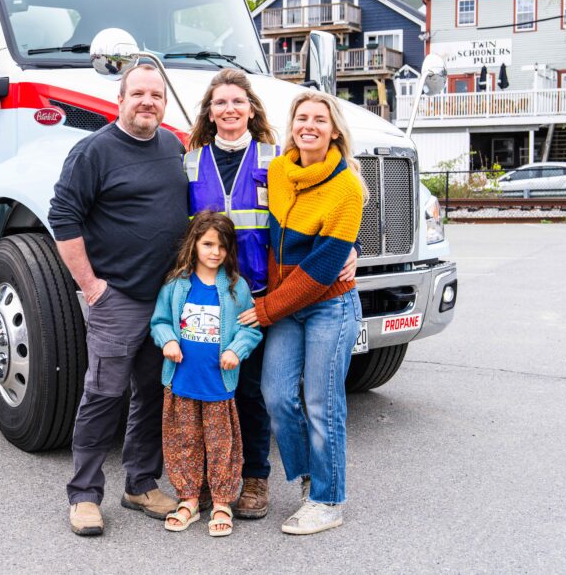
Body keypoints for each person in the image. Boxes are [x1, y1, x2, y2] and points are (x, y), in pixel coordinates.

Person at [184, 69, 357, 520]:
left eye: (238, 102)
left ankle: (310, 491)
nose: (229, 110)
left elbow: (326, 244)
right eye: (220, 103)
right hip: (222, 297)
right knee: (252, 393)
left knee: (289, 399)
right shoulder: (271, 166)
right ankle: (273, 480)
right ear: (209, 112)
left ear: (252, 109)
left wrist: (350, 249)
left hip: (272, 298)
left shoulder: (279, 161)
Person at [49, 63, 189, 537]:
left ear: (164, 102)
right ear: (120, 100)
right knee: (104, 395)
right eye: (138, 94)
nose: (148, 101)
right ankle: (85, 495)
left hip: (166, 301)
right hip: (117, 298)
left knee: (152, 393)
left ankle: (141, 484)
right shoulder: (93, 151)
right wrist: (92, 287)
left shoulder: (173, 146)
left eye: (156, 94)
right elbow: (62, 217)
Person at [240, 89, 365, 536]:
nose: (309, 125)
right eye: (301, 118)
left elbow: (321, 269)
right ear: (291, 126)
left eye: (320, 119)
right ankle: (315, 474)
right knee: (275, 395)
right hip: (289, 305)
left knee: (321, 403)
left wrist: (266, 309)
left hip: (329, 304)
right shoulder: (277, 171)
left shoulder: (347, 186)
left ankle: (328, 500)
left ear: (334, 131)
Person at [149, 211, 262, 537]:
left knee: (220, 443)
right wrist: (168, 340)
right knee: (184, 441)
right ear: (194, 244)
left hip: (218, 386)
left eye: (222, 246)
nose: (215, 252)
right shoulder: (176, 285)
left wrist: (235, 351)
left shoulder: (236, 288)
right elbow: (159, 322)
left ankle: (223, 501)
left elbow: (250, 330)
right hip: (183, 382)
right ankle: (188, 499)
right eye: (208, 243)